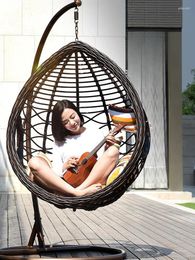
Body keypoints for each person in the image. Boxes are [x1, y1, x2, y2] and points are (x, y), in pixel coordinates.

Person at [28, 99, 121, 197]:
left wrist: (107, 146)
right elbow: (56, 171)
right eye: (65, 122)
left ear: (78, 113)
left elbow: (102, 162)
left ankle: (77, 192)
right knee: (33, 162)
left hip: (91, 179)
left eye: (73, 116)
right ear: (60, 125)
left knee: (113, 151)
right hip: (68, 182)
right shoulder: (60, 141)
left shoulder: (94, 130)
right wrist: (65, 165)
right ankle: (75, 192)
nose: (72, 123)